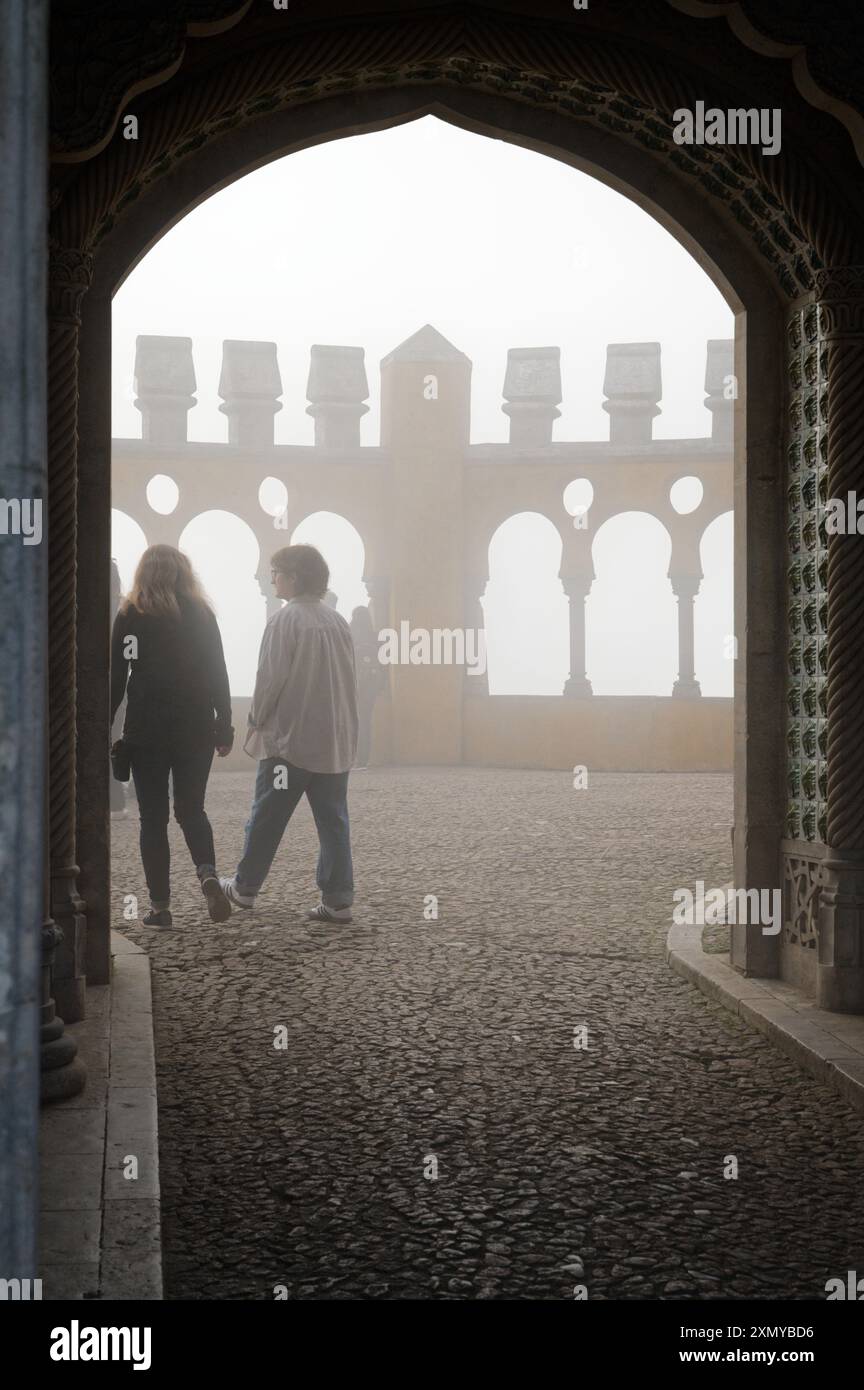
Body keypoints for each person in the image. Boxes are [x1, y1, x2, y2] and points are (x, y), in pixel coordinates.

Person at [220, 544, 359, 924]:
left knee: (267, 816)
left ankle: (245, 888)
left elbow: (269, 680)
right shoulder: (337, 622)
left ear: (294, 577)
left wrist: (255, 720)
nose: (271, 578)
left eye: (276, 571)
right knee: (333, 822)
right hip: (333, 743)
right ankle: (338, 900)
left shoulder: (284, 621)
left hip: (289, 743)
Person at [110, 545, 234, 928]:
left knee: (153, 818)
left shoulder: (132, 614)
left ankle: (161, 907)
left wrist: (105, 721)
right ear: (185, 573)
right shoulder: (200, 614)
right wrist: (224, 722)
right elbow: (218, 669)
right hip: (195, 725)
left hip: (146, 729)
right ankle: (208, 874)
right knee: (191, 809)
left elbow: (118, 674)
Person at [349, 605, 384, 769]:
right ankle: (363, 759)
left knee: (351, 721)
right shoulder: (374, 636)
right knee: (365, 721)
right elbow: (382, 665)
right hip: (370, 686)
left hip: (352, 685)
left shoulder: (349, 634)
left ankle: (352, 757)